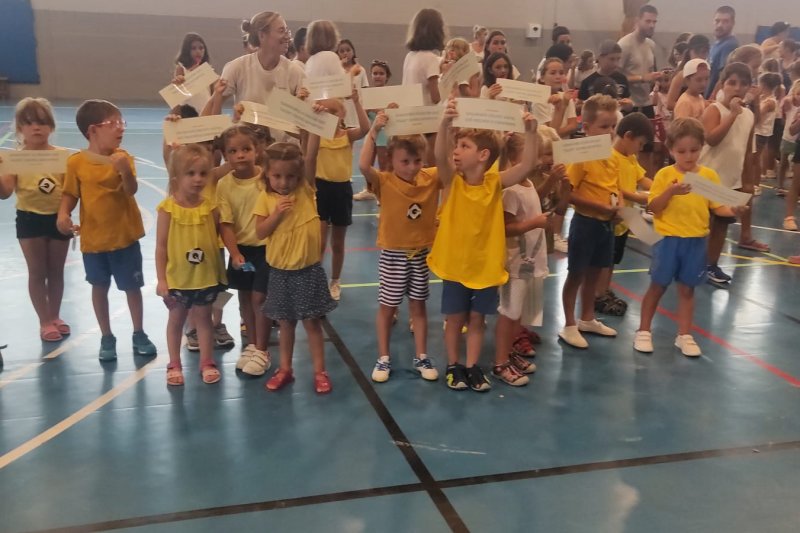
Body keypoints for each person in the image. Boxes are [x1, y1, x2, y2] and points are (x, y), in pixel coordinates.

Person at [428, 99, 538, 392]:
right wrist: (444, 124)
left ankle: (472, 366)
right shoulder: (454, 181)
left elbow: (527, 165)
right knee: (455, 320)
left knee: (477, 320)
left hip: (485, 267)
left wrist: (531, 132)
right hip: (455, 265)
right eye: (457, 145)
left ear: (483, 155)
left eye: (464, 146)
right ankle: (453, 366)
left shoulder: (494, 183)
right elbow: (439, 155)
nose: (456, 151)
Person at [635, 118, 745, 356]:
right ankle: (644, 330)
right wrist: (671, 191)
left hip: (696, 241)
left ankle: (684, 334)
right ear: (671, 149)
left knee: (687, 290)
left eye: (694, 150)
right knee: (658, 286)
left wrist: (733, 209)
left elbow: (718, 208)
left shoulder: (708, 176)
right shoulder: (665, 175)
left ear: (702, 148)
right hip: (668, 240)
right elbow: (654, 207)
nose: (688, 156)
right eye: (682, 151)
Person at [57, 100, 157, 360]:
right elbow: (70, 194)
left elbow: (131, 190)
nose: (120, 128)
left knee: (132, 288)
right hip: (94, 241)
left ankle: (139, 332)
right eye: (113, 123)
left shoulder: (124, 158)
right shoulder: (76, 163)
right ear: (92, 130)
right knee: (98, 287)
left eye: (121, 122)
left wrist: (124, 171)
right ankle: (106, 336)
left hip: (124, 237)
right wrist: (63, 214)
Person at [358, 120, 441, 383]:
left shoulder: (431, 177)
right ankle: (383, 358)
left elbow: (448, 163)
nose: (412, 167)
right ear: (391, 160)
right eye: (405, 161)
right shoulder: (384, 181)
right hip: (393, 255)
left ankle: (421, 355)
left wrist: (445, 124)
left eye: (417, 160)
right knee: (387, 307)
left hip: (419, 255)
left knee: (419, 307)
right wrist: (373, 132)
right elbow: (362, 166)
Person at [254, 142, 338, 394]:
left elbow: (311, 155)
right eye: (277, 176)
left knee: (312, 323)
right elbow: (260, 232)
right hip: (280, 273)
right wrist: (276, 214)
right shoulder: (265, 198)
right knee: (286, 323)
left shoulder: (305, 189)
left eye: (290, 176)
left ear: (299, 176)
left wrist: (311, 124)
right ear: (267, 174)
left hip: (308, 271)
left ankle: (320, 371)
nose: (283, 182)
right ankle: (285, 369)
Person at [492, 130, 570, 386]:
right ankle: (500, 362)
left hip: (528, 262)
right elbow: (506, 228)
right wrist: (533, 223)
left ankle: (510, 353)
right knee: (508, 312)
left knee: (517, 314)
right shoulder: (511, 190)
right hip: (515, 263)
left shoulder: (527, 185)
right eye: (533, 154)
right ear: (517, 158)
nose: (538, 159)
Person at [0, 98, 70, 342]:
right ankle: (44, 320)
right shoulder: (14, 160)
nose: (36, 128)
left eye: (41, 122)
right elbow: (5, 192)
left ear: (51, 126)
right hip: (30, 220)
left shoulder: (62, 157)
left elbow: (69, 191)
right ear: (20, 128)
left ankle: (55, 315)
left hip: (58, 219)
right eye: (29, 123)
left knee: (57, 272)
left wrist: (64, 215)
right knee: (37, 272)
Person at [156, 144, 227, 386]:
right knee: (176, 320)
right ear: (176, 178)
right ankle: (174, 363)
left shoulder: (211, 207)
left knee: (204, 320)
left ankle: (207, 361)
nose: (198, 179)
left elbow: (219, 239)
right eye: (191, 173)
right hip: (178, 279)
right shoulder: (167, 209)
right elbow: (161, 247)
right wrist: (162, 279)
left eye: (203, 174)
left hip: (205, 278)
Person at [558, 95, 620, 349]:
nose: (609, 132)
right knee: (576, 274)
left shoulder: (612, 156)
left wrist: (620, 204)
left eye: (613, 126)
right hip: (586, 223)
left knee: (595, 274)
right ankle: (569, 324)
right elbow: (569, 193)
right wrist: (601, 206)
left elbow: (617, 187)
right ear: (587, 127)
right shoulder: (581, 157)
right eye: (604, 126)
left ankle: (587, 318)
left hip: (607, 224)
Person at [700, 62, 765, 285]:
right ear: (723, 85)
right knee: (700, 225)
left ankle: (711, 264)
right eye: (732, 83)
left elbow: (747, 150)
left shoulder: (748, 116)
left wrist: (747, 182)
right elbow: (712, 138)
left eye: (743, 84)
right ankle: (692, 262)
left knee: (722, 224)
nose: (737, 88)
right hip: (706, 179)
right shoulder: (714, 109)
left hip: (731, 181)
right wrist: (733, 114)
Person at [216, 125, 273, 375]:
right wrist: (235, 252)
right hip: (242, 251)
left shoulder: (267, 179)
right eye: (233, 151)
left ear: (257, 150)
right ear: (225, 156)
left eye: (246, 149)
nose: (240, 155)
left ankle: (262, 349)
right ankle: (252, 343)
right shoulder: (224, 185)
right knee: (244, 298)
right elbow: (225, 224)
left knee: (260, 298)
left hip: (267, 250)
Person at [205, 12, 305, 142]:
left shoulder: (295, 71)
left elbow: (307, 126)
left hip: (282, 155)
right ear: (262, 35)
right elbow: (212, 105)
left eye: (287, 31)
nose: (287, 37)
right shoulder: (237, 67)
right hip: (248, 150)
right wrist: (192, 134)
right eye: (281, 31)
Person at [594, 113, 654, 316]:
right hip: (613, 216)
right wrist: (640, 198)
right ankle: (598, 293)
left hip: (625, 219)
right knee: (605, 259)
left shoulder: (630, 158)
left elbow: (642, 178)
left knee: (613, 259)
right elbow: (617, 188)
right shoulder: (611, 157)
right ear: (628, 136)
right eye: (640, 143)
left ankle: (604, 289)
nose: (641, 148)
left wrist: (659, 189)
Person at [311, 94, 370, 301]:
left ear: (342, 113)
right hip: (321, 189)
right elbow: (299, 131)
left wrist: (356, 101)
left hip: (341, 190)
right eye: (324, 112)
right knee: (319, 243)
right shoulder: (316, 135)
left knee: (337, 243)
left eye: (333, 112)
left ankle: (335, 280)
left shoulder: (347, 135)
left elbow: (365, 129)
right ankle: (316, 281)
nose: (329, 115)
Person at [618, 4, 660, 176]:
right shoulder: (624, 44)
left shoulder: (651, 45)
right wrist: (642, 78)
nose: (651, 25)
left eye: (654, 22)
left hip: (646, 103)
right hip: (631, 104)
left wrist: (656, 78)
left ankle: (645, 190)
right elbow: (617, 78)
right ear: (638, 21)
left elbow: (649, 73)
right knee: (628, 151)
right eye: (648, 21)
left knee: (647, 149)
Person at [354, 60, 393, 202]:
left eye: (381, 74)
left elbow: (390, 110)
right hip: (372, 131)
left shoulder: (389, 93)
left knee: (383, 163)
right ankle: (369, 189)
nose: (377, 76)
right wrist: (368, 108)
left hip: (383, 132)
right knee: (367, 162)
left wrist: (378, 109)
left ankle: (384, 192)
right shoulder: (368, 93)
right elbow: (363, 111)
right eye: (375, 73)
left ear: (387, 77)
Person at [534, 57, 578, 138]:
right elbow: (549, 135)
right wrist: (563, 106)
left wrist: (556, 133)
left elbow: (573, 125)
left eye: (561, 73)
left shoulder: (566, 96)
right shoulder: (538, 101)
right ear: (543, 78)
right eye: (553, 73)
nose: (558, 76)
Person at [666, 34, 711, 111]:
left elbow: (696, 99)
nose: (700, 56)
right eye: (697, 52)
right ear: (690, 52)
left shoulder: (704, 72)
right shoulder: (681, 75)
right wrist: (689, 106)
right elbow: (669, 104)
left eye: (704, 53)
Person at [172, 33, 212, 115]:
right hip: (187, 112)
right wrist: (178, 81)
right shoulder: (181, 69)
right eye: (193, 48)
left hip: (205, 111)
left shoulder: (208, 70)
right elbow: (177, 94)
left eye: (201, 48)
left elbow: (212, 94)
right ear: (187, 50)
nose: (198, 51)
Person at [706, 6, 739, 99]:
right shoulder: (715, 45)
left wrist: (711, 99)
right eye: (717, 21)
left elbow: (724, 76)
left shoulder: (729, 45)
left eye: (725, 21)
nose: (720, 25)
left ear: (732, 23)